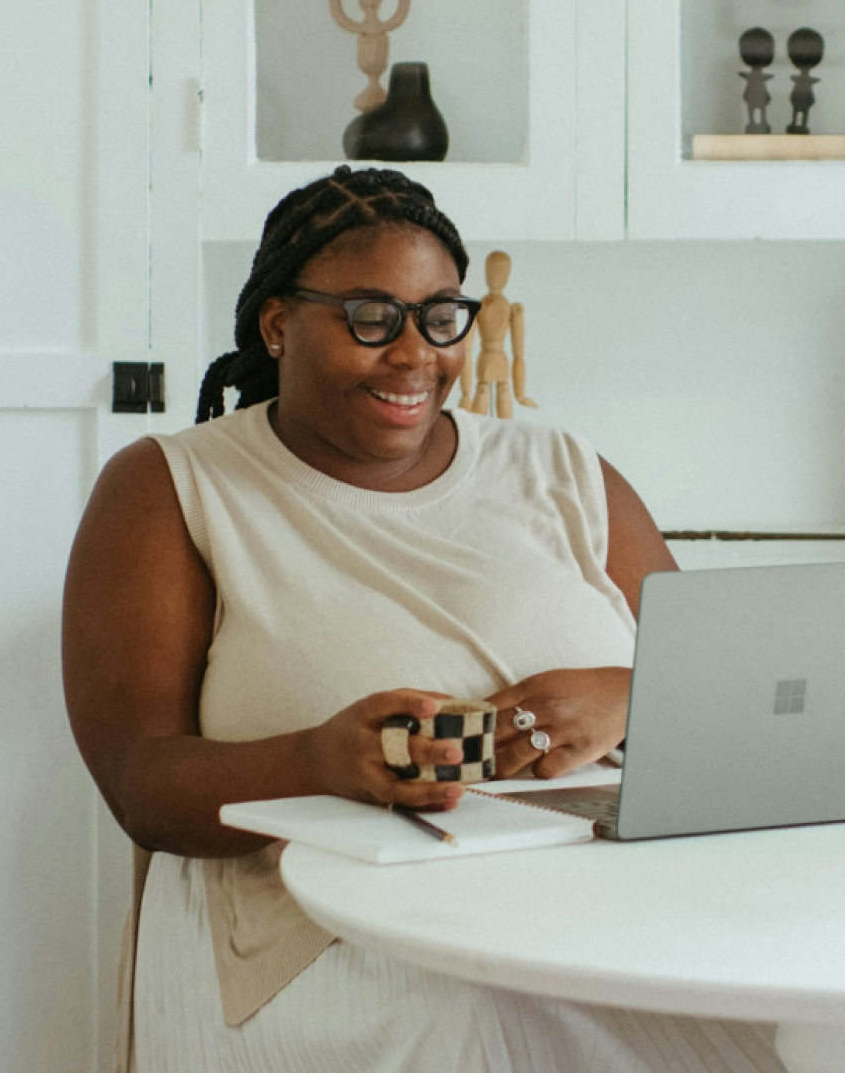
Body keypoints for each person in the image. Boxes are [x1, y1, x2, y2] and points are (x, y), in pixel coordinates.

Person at [62, 165, 785, 1073]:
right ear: (278, 323)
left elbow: (739, 706)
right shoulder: (174, 487)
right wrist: (319, 762)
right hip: (320, 924)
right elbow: (140, 782)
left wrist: (631, 697)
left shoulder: (564, 472)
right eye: (371, 318)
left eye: (442, 317)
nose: (416, 355)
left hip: (595, 903)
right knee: (481, 1028)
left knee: (766, 1018)